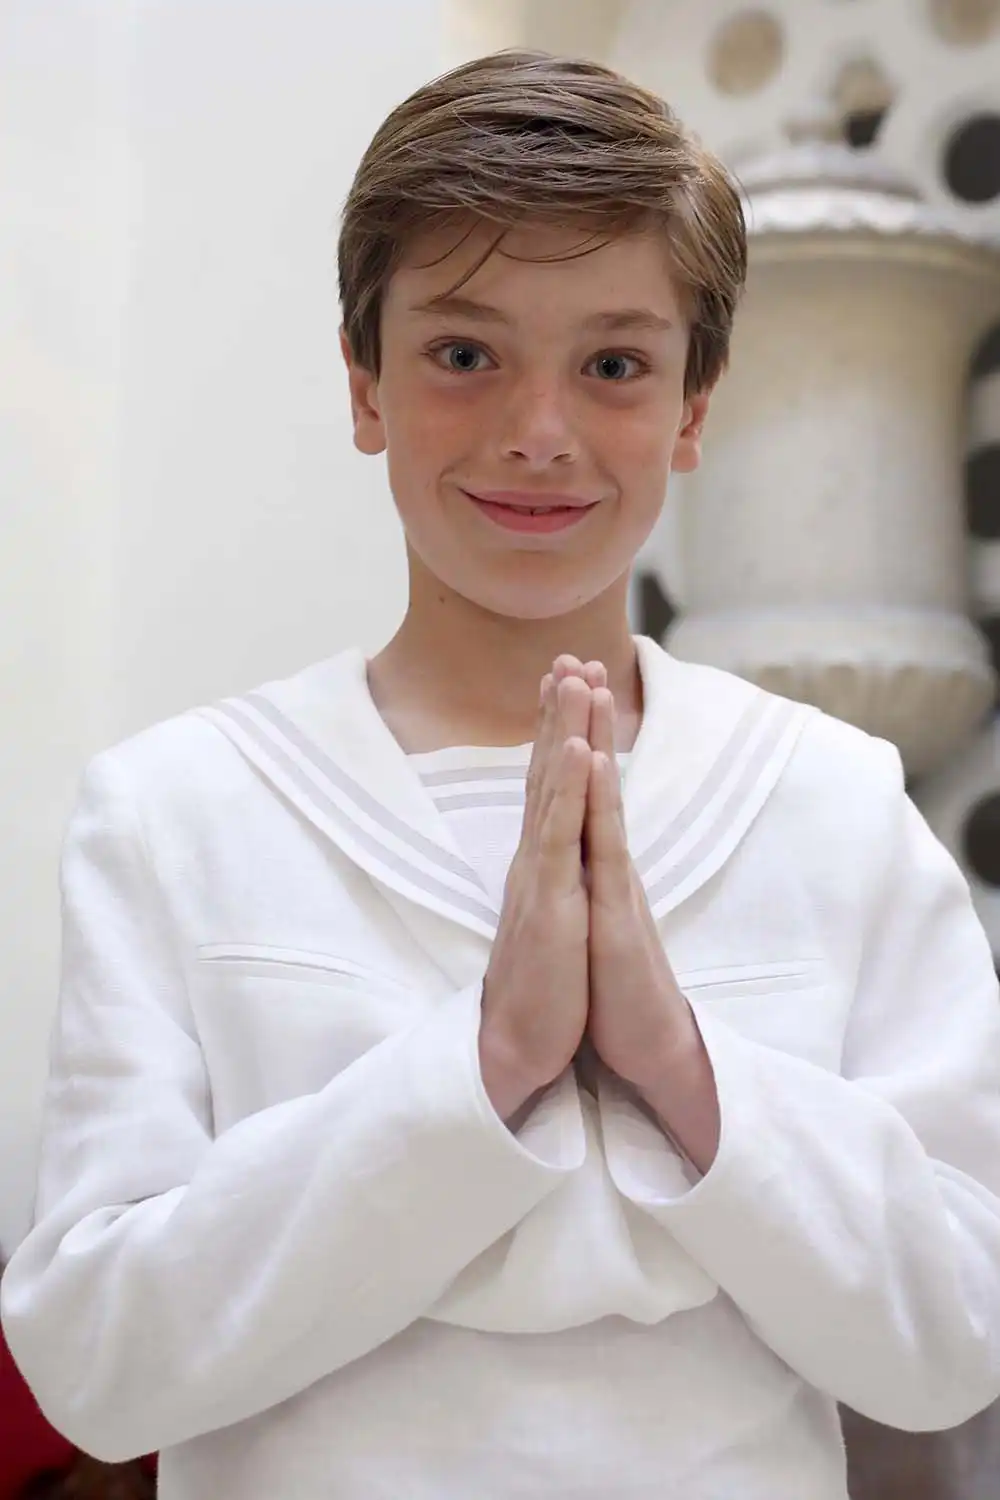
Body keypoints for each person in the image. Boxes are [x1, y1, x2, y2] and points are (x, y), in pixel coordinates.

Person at [2, 46, 999, 1500]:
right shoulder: (178, 811)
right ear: (365, 382)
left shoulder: (832, 804)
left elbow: (959, 1337)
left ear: (694, 406)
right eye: (465, 355)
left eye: (614, 365)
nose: (539, 434)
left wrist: (683, 1066)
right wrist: (477, 1070)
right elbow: (92, 1363)